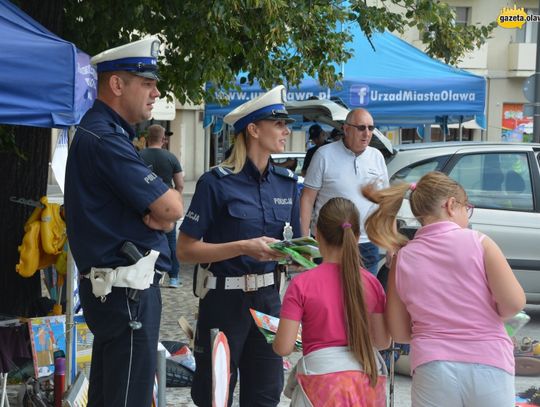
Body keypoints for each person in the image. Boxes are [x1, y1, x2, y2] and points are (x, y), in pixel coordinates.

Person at [64, 37, 183, 407]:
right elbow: (172, 208)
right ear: (117, 85)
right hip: (126, 295)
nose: (155, 92)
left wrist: (158, 214)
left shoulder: (104, 133)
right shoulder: (105, 139)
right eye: (146, 83)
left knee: (111, 395)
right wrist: (159, 216)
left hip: (118, 293)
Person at [177, 85, 301, 407]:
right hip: (223, 300)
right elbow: (186, 249)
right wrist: (243, 247)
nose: (287, 131)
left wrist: (301, 254)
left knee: (265, 395)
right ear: (254, 129)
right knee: (214, 394)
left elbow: (297, 245)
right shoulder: (215, 183)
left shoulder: (287, 183)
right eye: (279, 124)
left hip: (269, 300)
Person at [362, 171, 526, 407]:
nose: (467, 216)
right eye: (466, 208)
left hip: (432, 366)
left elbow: (398, 333)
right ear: (451, 205)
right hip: (489, 362)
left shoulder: (403, 257)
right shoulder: (479, 242)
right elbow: (514, 303)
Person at [273, 197, 390, 406]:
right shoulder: (371, 283)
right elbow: (382, 342)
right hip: (365, 385)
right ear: (355, 236)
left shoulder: (302, 285)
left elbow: (283, 347)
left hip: (319, 383)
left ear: (316, 234)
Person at [300, 108, 388, 275]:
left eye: (371, 128)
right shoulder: (323, 155)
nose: (367, 133)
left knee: (365, 299)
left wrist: (390, 243)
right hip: (330, 242)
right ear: (346, 129)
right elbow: (307, 199)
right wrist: (305, 244)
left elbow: (385, 203)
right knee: (328, 299)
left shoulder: (377, 156)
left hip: (366, 244)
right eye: (361, 127)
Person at [140, 124, 185, 288]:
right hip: (166, 206)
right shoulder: (171, 157)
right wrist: (176, 200)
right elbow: (180, 183)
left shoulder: (139, 156)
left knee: (144, 240)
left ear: (146, 138)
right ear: (163, 140)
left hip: (145, 205)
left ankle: (148, 275)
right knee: (171, 242)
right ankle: (173, 277)